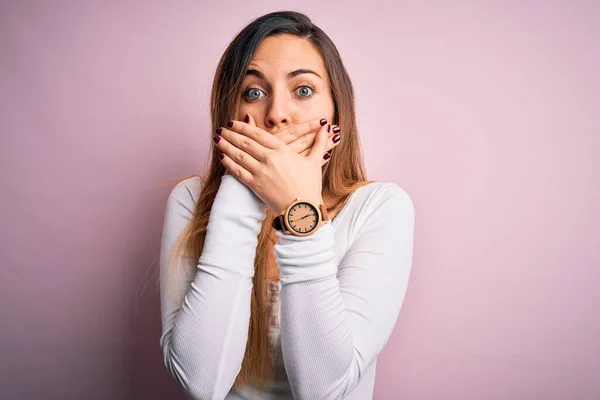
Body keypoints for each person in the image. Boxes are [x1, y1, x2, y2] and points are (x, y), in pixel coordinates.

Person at [159, 10, 415, 400]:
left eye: (304, 90)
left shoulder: (381, 208)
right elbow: (201, 383)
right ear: (228, 115)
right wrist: (242, 196)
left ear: (336, 113)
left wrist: (300, 208)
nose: (277, 114)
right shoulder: (190, 201)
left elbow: (323, 389)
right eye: (254, 93)